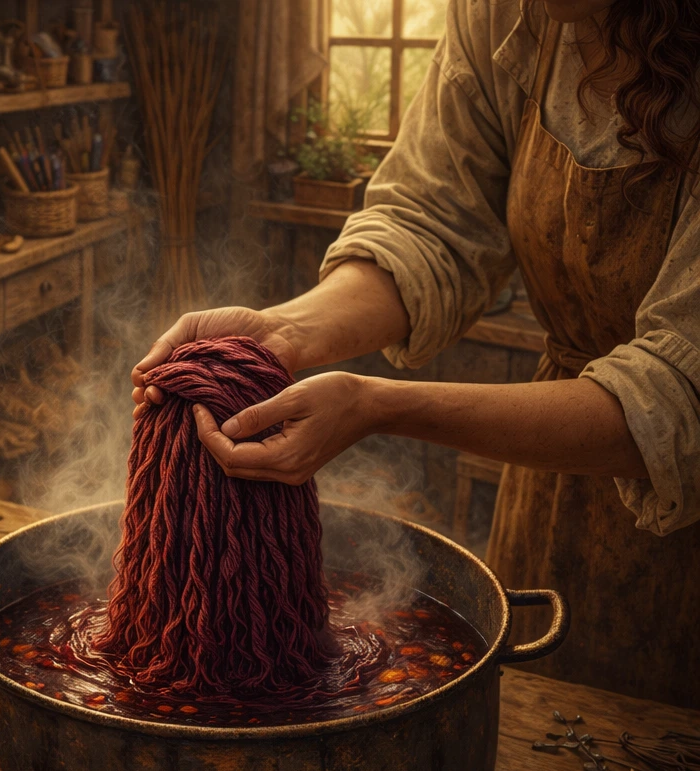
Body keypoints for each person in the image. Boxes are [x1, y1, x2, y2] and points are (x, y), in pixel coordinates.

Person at [131, 0, 700, 707]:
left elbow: (680, 398)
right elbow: (430, 224)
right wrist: (284, 332)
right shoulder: (505, 16)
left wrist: (377, 406)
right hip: (554, 489)